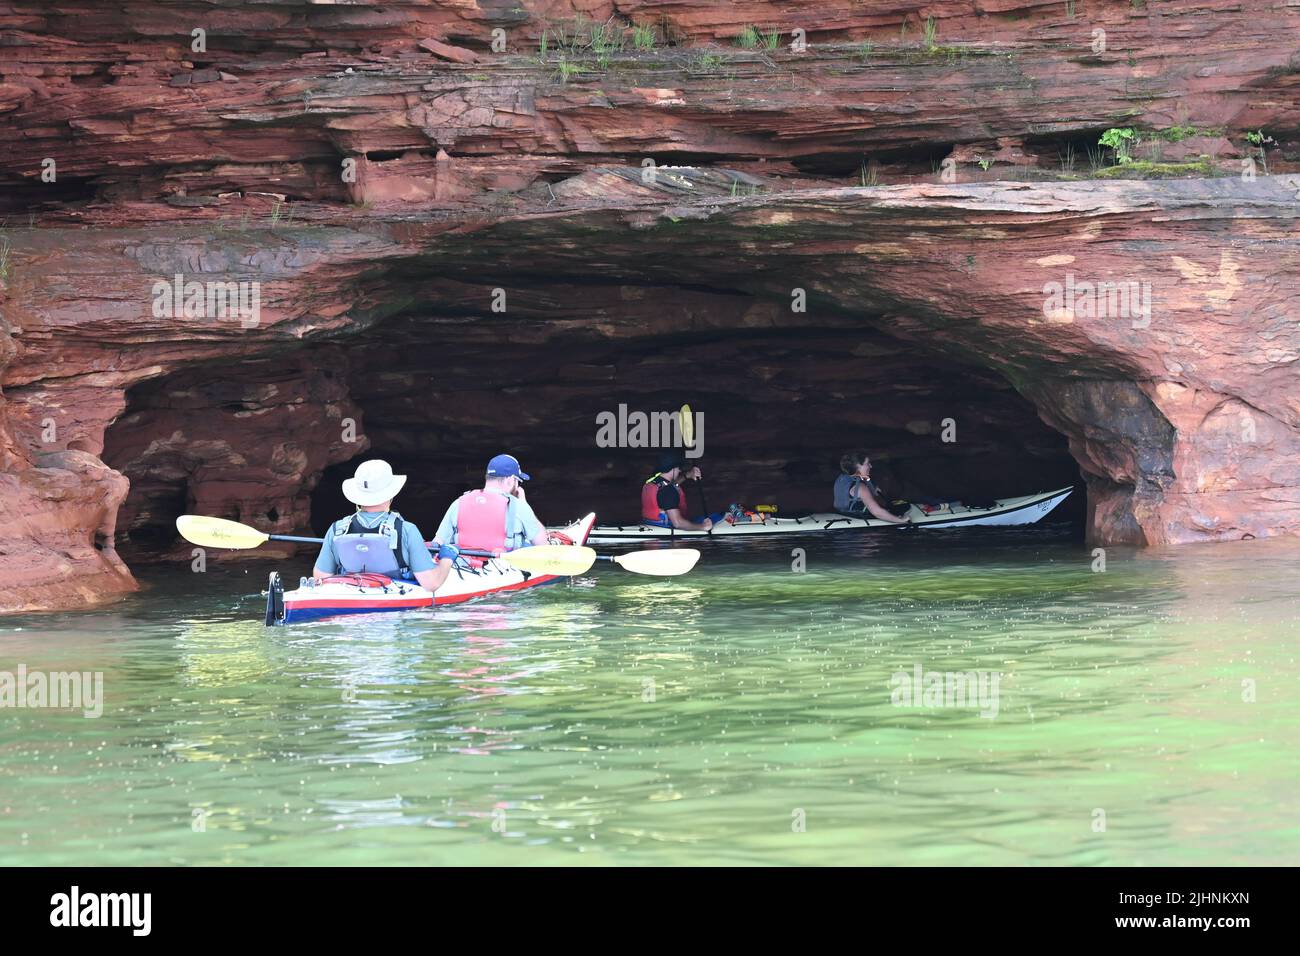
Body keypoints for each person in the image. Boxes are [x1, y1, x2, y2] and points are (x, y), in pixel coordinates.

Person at [313, 459, 459, 590]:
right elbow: (431, 583)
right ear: (391, 494)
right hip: (394, 609)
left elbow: (320, 578)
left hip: (349, 598)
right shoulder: (407, 530)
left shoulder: (336, 529)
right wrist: (447, 558)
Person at [433, 454, 547, 559]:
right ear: (510, 480)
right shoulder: (518, 506)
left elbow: (438, 542)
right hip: (504, 570)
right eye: (518, 481)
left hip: (463, 566)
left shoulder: (459, 502)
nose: (517, 486)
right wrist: (524, 503)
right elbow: (542, 546)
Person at [642, 452, 714, 531]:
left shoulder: (652, 483)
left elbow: (670, 486)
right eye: (678, 468)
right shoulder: (668, 491)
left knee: (715, 516)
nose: (679, 471)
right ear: (672, 468)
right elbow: (678, 523)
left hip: (651, 524)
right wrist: (703, 527)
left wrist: (687, 475)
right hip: (668, 531)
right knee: (715, 518)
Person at [834, 450, 911, 524]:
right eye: (867, 463)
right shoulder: (861, 488)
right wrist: (901, 520)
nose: (870, 466)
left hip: (842, 513)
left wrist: (872, 489)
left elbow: (864, 484)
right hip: (858, 519)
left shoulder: (842, 478)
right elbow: (877, 512)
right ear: (858, 466)